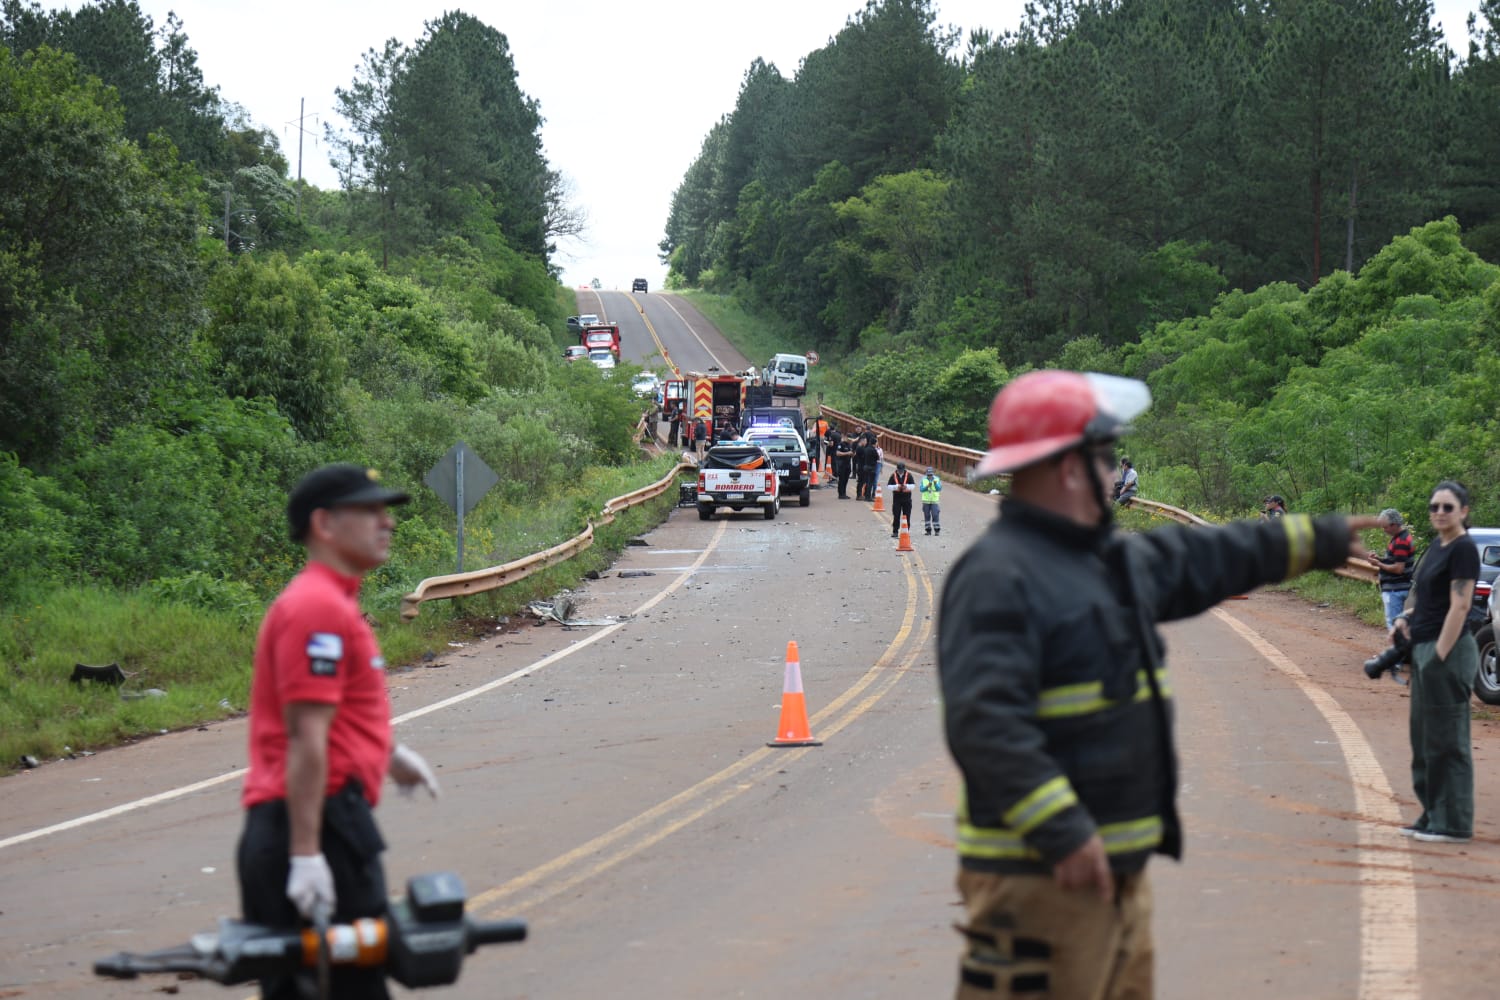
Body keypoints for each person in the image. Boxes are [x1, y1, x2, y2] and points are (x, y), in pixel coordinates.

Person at [937, 370, 1374, 999]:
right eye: (1107, 457)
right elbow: (983, 724)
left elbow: (1200, 559)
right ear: (1069, 468)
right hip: (1039, 878)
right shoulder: (999, 576)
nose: (1116, 475)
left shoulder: (1101, 560)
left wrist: (1314, 540)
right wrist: (1061, 830)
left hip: (1110, 869)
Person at [238, 464, 441, 1000]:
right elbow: (308, 737)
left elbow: (337, 718)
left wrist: (387, 753)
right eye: (370, 511)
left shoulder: (336, 603)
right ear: (324, 524)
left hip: (323, 819)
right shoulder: (318, 608)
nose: (387, 523)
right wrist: (306, 855)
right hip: (314, 824)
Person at [1391, 480, 1479, 845]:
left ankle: (1453, 823)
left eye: (1447, 506)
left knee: (1448, 740)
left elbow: (1459, 606)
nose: (1440, 512)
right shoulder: (1437, 548)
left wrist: (1439, 655)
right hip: (1424, 648)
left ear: (1463, 511)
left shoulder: (1462, 549)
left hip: (1448, 651)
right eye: (1435, 507)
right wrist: (1404, 619)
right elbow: (1427, 601)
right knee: (1424, 738)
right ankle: (1431, 815)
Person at [1369, 508, 1416, 629]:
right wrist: (1379, 559)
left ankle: (1397, 647)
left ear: (1394, 525)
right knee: (1398, 625)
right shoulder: (1400, 538)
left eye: (1386, 527)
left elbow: (1398, 568)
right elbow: (1395, 561)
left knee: (1395, 626)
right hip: (1397, 588)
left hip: (1396, 589)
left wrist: (1378, 564)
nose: (1384, 530)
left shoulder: (1401, 541)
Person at [888, 461, 916, 537]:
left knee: (907, 516)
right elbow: (889, 486)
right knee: (896, 515)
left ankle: (906, 532)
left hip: (906, 499)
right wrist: (897, 487)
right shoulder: (893, 476)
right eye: (899, 470)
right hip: (897, 498)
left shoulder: (909, 475)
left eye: (902, 470)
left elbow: (913, 486)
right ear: (897, 469)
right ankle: (895, 531)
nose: (900, 472)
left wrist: (906, 486)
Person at [920, 466, 943, 536]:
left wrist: (935, 484)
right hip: (926, 500)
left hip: (934, 500)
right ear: (926, 473)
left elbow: (939, 489)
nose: (930, 476)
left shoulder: (937, 479)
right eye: (928, 474)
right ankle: (928, 530)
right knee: (927, 515)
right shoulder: (923, 479)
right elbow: (921, 489)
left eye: (931, 474)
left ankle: (937, 530)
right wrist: (927, 486)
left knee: (935, 515)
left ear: (933, 473)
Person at [833, 434, 855, 499]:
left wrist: (852, 454)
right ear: (845, 437)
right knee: (841, 480)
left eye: (850, 440)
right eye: (848, 439)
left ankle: (844, 493)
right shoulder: (841, 444)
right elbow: (838, 453)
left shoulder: (850, 445)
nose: (850, 441)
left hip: (848, 464)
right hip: (841, 464)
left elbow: (851, 454)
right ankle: (840, 494)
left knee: (846, 480)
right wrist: (847, 453)